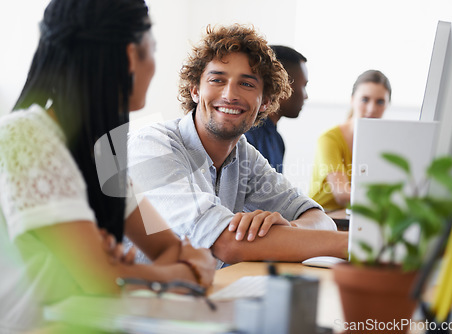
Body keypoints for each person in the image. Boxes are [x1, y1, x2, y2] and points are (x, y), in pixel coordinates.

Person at [0, 0, 216, 332]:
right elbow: (105, 281)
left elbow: (165, 247)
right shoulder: (24, 137)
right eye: (153, 49)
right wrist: (180, 274)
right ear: (131, 55)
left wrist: (126, 276)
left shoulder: (104, 150)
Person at [127, 24, 348, 269]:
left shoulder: (243, 155)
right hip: (135, 301)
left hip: (202, 294)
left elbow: (320, 219)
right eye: (217, 80)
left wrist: (292, 229)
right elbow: (226, 243)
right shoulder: (151, 145)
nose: (230, 94)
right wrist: (357, 247)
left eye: (246, 84)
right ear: (195, 91)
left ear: (265, 101)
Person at [309, 70, 392, 211]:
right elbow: (341, 194)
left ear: (387, 105)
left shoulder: (385, 143)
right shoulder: (329, 139)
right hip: (322, 216)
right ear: (352, 100)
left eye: (380, 102)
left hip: (357, 216)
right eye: (365, 100)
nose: (372, 109)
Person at [245, 45, 308, 173]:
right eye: (304, 86)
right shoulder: (246, 136)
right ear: (282, 85)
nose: (306, 96)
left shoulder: (277, 140)